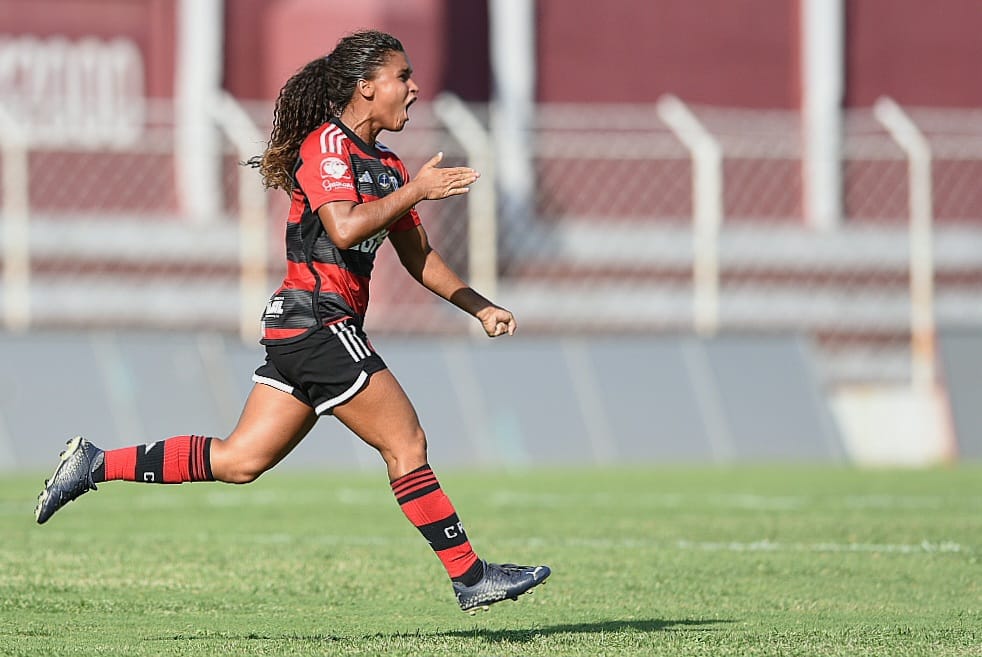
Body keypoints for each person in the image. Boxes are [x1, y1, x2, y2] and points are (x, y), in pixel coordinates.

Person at [34, 29, 549, 613]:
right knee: (406, 442)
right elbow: (346, 228)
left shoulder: (386, 164)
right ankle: (470, 576)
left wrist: (478, 306)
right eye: (402, 77)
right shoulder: (327, 146)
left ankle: (94, 463)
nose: (414, 88)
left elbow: (418, 258)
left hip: (308, 328)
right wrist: (418, 192)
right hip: (317, 322)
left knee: (239, 461)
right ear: (365, 87)